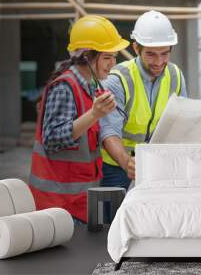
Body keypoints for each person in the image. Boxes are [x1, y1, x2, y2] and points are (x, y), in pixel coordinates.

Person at [99, 10, 201, 191]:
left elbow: (181, 124)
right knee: (114, 218)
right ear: (136, 48)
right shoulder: (118, 79)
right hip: (117, 168)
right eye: (151, 54)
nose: (158, 62)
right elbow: (108, 131)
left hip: (159, 164)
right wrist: (127, 163)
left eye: (164, 54)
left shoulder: (175, 76)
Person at [29, 15, 130, 223]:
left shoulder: (91, 85)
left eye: (115, 57)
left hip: (80, 201)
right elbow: (52, 138)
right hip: (57, 207)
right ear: (86, 57)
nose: (113, 63)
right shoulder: (65, 87)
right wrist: (94, 114)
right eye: (107, 57)